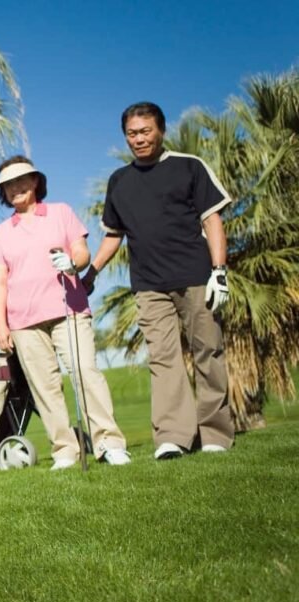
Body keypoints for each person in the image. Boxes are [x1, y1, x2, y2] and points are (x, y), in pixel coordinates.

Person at [83, 101, 232, 459]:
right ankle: (173, 437)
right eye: (132, 133)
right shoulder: (119, 181)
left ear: (161, 131)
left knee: (207, 352)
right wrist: (90, 275)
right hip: (149, 285)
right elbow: (113, 236)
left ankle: (215, 435)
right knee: (163, 359)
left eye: (145, 131)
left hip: (196, 277)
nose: (139, 139)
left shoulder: (188, 167)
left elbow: (212, 221)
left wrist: (219, 272)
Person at [0, 156, 131, 470]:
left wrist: (74, 264)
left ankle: (109, 443)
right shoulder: (2, 232)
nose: (16, 188)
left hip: (69, 309)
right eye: (9, 184)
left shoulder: (61, 212)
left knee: (85, 373)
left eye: (21, 180)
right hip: (23, 320)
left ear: (36, 181)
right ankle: (65, 451)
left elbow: (81, 252)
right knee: (44, 386)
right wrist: (1, 324)